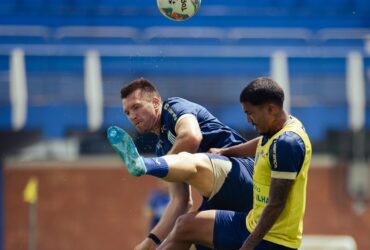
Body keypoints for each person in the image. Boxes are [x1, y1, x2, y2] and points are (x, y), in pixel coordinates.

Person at [148, 77, 311, 250]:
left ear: (270, 109)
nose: (248, 119)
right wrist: (225, 152)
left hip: (273, 240)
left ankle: (147, 164)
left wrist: (248, 245)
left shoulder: (288, 144)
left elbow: (276, 204)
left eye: (251, 113)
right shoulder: (282, 126)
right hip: (250, 223)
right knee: (185, 225)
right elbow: (262, 143)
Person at [113, 78, 255, 250]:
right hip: (229, 204)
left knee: (193, 159)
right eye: (127, 112)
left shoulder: (173, 107)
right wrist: (148, 243)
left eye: (136, 107)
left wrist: (162, 163)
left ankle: (144, 163)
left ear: (156, 102)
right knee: (183, 231)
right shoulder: (162, 149)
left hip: (244, 174)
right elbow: (181, 202)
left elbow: (191, 137)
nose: (132, 116)